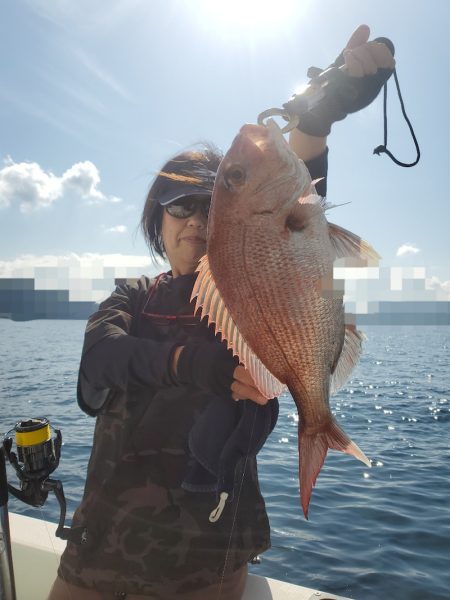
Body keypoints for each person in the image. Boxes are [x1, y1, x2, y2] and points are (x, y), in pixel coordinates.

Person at [48, 25, 394, 600]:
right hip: (99, 550)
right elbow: (98, 366)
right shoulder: (130, 297)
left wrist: (319, 117)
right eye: (175, 205)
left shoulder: (237, 291)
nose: (193, 219)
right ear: (154, 222)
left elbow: (292, 240)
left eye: (208, 204)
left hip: (208, 560)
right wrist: (195, 366)